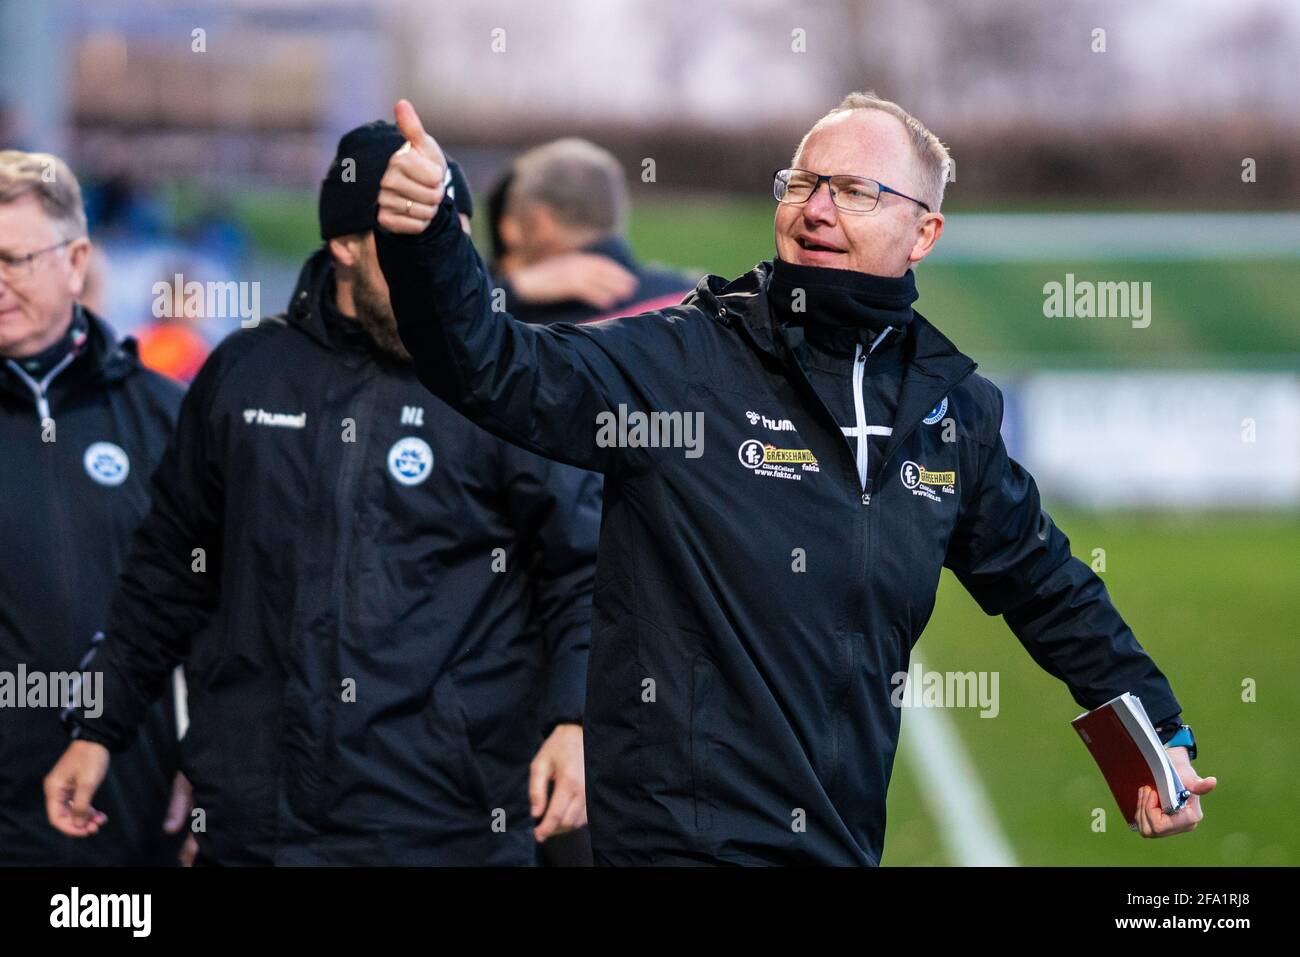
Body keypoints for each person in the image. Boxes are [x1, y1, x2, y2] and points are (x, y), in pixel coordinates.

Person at [372, 93, 1215, 866]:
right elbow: (490, 366)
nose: (815, 208)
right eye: (803, 182)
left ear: (924, 233)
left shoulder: (951, 410)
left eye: (854, 190)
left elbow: (1046, 584)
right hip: (676, 848)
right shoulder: (685, 363)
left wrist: (1158, 728)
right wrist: (428, 235)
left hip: (840, 845)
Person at [45, 122, 601, 865]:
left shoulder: (513, 383)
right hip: (255, 824)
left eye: (454, 243)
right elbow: (169, 568)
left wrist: (576, 719)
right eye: (409, 244)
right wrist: (98, 726)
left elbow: (585, 570)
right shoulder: (244, 374)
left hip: (448, 828)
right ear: (343, 244)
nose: (440, 272)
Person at [0, 149, 185, 865]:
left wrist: (206, 764)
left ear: (76, 261)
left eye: (14, 259)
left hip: (129, 810)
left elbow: (226, 611)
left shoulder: (167, 417)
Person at [490, 139, 694, 325]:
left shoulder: (523, 326)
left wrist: (511, 290)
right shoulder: (693, 299)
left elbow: (466, 328)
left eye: (515, 218)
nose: (510, 236)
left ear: (541, 220)